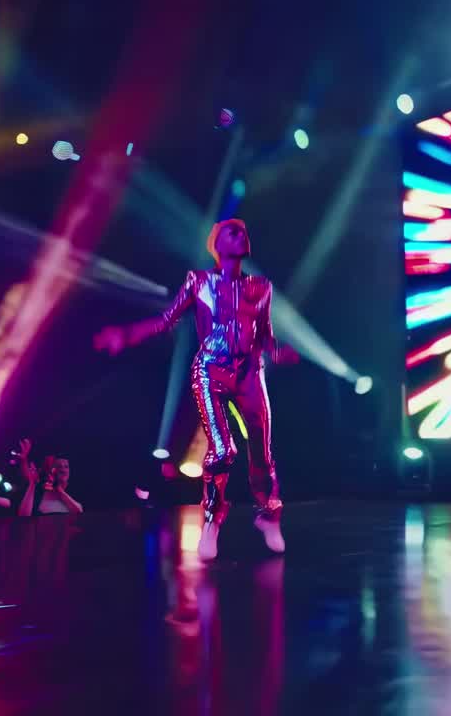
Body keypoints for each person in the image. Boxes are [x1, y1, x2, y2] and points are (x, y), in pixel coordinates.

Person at [94, 218, 298, 559]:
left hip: (249, 372)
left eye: (244, 231)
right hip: (210, 372)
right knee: (222, 450)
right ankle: (212, 520)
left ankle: (268, 515)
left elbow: (264, 335)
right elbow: (166, 320)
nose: (241, 235)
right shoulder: (199, 282)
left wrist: (278, 351)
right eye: (232, 232)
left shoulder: (261, 287)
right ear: (217, 245)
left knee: (262, 450)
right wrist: (126, 335)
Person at [18, 455, 84, 516]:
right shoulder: (39, 492)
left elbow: (79, 513)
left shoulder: (74, 491)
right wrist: (32, 483)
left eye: (66, 467)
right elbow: (23, 516)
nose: (63, 470)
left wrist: (59, 490)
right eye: (59, 466)